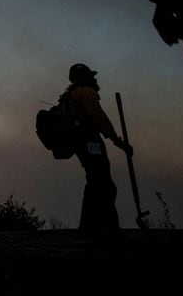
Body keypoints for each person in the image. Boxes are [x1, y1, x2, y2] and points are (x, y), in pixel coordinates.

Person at [60, 63, 132, 242]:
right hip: (91, 143)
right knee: (103, 185)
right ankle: (108, 231)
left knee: (96, 184)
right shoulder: (87, 92)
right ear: (83, 77)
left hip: (80, 145)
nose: (94, 78)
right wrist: (117, 141)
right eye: (91, 75)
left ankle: (91, 229)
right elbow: (99, 117)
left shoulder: (68, 97)